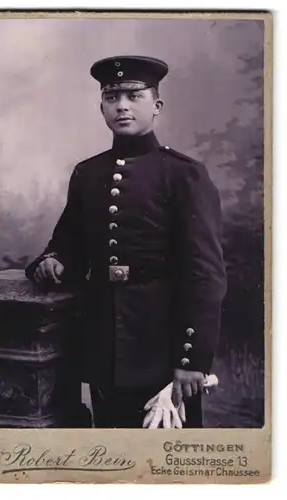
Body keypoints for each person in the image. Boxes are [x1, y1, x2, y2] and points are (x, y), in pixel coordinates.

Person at [25, 55, 227, 428]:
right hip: (103, 343)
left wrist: (190, 360)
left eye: (134, 96)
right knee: (113, 453)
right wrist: (53, 259)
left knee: (171, 467)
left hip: (162, 345)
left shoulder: (184, 175)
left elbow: (205, 274)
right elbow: (68, 240)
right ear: (101, 106)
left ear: (156, 105)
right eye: (112, 96)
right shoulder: (88, 173)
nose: (122, 106)